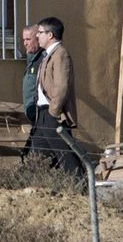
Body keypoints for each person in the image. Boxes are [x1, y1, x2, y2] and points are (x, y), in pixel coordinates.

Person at [28, 16, 81, 174]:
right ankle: (34, 189)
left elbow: (61, 86)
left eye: (40, 32)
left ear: (50, 35)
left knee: (66, 156)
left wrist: (53, 111)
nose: (37, 35)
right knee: (36, 157)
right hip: (42, 113)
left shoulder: (60, 54)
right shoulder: (47, 54)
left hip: (53, 114)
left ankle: (83, 189)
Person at [19, 24, 44, 158]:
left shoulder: (43, 58)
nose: (25, 43)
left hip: (40, 113)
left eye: (28, 39)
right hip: (32, 114)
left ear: (37, 38)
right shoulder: (32, 58)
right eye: (23, 40)